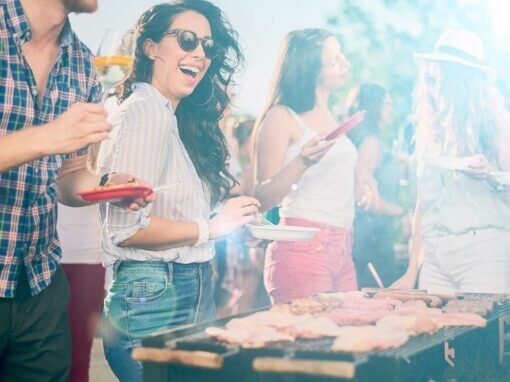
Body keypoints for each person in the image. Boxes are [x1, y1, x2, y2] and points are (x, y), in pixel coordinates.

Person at [96, 1, 260, 380]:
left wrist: (232, 227)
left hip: (185, 290)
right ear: (151, 47)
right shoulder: (145, 110)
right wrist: (212, 228)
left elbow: (177, 216)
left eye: (208, 45)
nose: (200, 53)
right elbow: (126, 229)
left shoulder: (172, 117)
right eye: (187, 40)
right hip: (154, 301)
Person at [0, 1, 153, 381]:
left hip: (39, 283)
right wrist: (47, 137)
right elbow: (52, 141)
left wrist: (106, 187)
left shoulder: (83, 62)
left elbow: (69, 176)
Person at [392, 29, 510, 293]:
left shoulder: (497, 123)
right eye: (430, 79)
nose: (434, 87)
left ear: (464, 81)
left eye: (441, 78)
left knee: (479, 334)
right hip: (435, 255)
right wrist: (412, 270)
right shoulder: (428, 131)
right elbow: (422, 206)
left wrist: (491, 175)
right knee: (436, 331)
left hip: (484, 251)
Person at [254, 28, 358, 304]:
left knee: (349, 341)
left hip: (342, 247)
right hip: (303, 249)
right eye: (334, 59)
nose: (345, 64)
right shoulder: (282, 117)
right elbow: (262, 198)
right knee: (316, 342)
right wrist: (303, 161)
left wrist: (363, 185)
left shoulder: (334, 118)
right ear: (310, 68)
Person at [346, 83, 406, 287]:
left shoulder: (360, 137)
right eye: (388, 104)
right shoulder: (370, 141)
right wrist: (401, 212)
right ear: (375, 106)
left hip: (367, 235)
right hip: (369, 239)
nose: (392, 109)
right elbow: (360, 196)